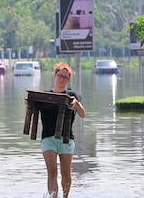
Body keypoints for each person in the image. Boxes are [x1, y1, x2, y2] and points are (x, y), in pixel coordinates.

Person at [40, 62, 85, 198]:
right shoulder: (45, 95)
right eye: (60, 75)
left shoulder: (72, 95)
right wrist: (28, 103)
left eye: (65, 77)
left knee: (66, 173)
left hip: (66, 139)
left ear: (68, 80)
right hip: (48, 138)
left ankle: (65, 197)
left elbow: (83, 114)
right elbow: (32, 107)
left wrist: (76, 104)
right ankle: (53, 197)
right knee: (52, 172)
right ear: (55, 75)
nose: (61, 79)